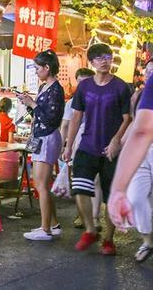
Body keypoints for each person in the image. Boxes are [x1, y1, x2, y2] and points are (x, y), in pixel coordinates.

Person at [65, 43, 131, 256]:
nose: (104, 60)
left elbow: (127, 118)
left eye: (108, 56)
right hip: (87, 146)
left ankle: (109, 240)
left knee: (111, 196)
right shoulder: (84, 88)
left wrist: (116, 141)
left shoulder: (121, 87)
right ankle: (91, 230)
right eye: (99, 58)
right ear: (91, 62)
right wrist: (68, 145)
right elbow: (76, 116)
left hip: (111, 150)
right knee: (80, 188)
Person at [17, 50, 65, 241]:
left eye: (37, 68)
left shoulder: (55, 90)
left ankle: (45, 229)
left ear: (47, 68)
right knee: (41, 184)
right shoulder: (44, 86)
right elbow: (39, 114)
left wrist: (33, 104)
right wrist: (29, 103)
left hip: (47, 137)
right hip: (40, 137)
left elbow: (50, 119)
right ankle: (53, 224)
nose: (35, 71)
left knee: (42, 185)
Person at [112, 58, 153, 262]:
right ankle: (148, 241)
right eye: (148, 70)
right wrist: (120, 143)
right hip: (143, 152)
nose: (150, 72)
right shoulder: (139, 95)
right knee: (136, 197)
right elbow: (138, 127)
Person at [60, 68, 102, 230]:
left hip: (98, 144)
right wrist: (63, 146)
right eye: (81, 81)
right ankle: (81, 215)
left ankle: (95, 217)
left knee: (96, 180)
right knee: (79, 182)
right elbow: (64, 126)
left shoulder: (100, 100)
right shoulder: (71, 103)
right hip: (77, 146)